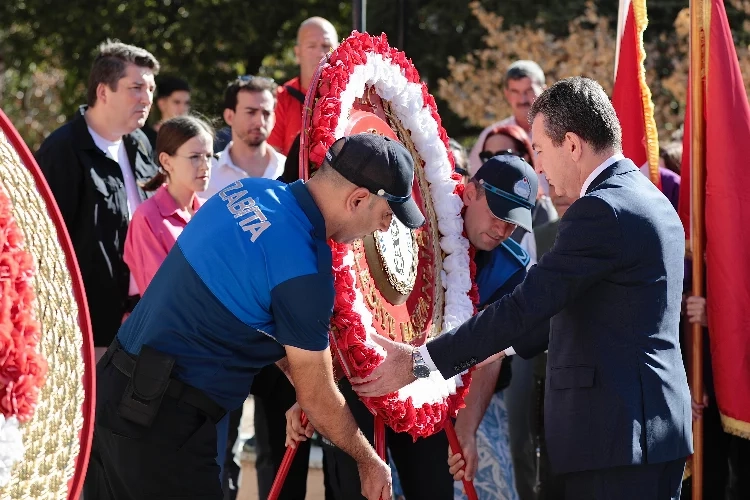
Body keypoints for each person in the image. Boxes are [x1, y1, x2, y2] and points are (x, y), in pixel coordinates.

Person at [353, 77, 693, 500]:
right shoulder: (645, 196)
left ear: (571, 144)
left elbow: (526, 307)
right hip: (641, 432)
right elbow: (574, 315)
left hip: (616, 438)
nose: (542, 168)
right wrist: (499, 347)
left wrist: (419, 363)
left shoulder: (601, 210)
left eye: (541, 150)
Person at [83, 133, 424, 500]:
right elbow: (319, 398)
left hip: (111, 392)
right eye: (387, 215)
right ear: (358, 199)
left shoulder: (249, 191)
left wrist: (304, 385)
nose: (384, 228)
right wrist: (367, 459)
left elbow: (244, 307)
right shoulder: (306, 272)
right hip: (162, 427)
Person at [287, 154, 536, 500]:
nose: (502, 230)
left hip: (429, 391)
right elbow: (347, 280)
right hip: (361, 374)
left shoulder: (510, 268)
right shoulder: (418, 196)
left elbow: (490, 351)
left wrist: (466, 430)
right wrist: (316, 389)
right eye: (497, 214)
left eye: (513, 224)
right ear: (471, 192)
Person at [36, 41, 160, 362]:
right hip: (85, 331)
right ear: (103, 92)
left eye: (150, 88)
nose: (147, 98)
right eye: (136, 88)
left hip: (143, 324)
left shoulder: (140, 144)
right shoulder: (63, 151)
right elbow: (43, 247)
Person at [124, 116, 213, 293]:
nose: (205, 166)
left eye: (209, 156)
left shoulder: (211, 212)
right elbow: (159, 295)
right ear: (166, 161)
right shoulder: (147, 217)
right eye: (195, 157)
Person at [204, 76, 286, 199]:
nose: (260, 122)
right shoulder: (207, 172)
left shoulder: (287, 169)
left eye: (266, 113)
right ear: (229, 116)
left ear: (274, 119)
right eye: (251, 112)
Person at [268, 17, 339, 156]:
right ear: (298, 53)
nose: (320, 53)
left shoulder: (353, 96)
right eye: (311, 46)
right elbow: (272, 160)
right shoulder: (281, 98)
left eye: (326, 46)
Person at [468, 60, 547, 174]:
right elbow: (474, 178)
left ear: (544, 91)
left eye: (529, 90)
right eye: (515, 91)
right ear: (507, 94)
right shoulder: (493, 136)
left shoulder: (562, 131)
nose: (522, 99)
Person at [141, 75, 191, 149]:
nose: (183, 108)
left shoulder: (192, 138)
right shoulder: (144, 139)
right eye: (177, 102)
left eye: (186, 103)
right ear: (162, 103)